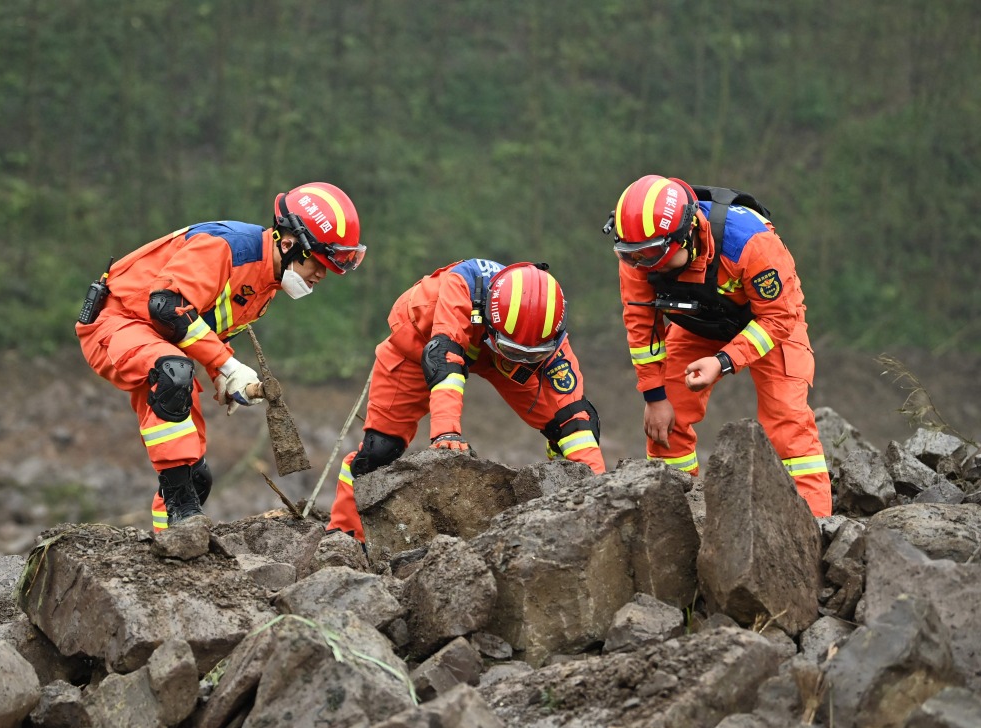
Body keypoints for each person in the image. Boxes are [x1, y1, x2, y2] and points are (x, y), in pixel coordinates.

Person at [76, 181, 365, 545]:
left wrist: (223, 375)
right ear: (288, 245)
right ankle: (183, 516)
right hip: (118, 323)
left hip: (161, 343)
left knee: (196, 477)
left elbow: (205, 328)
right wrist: (227, 365)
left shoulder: (264, 288)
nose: (321, 275)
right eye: (318, 263)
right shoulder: (227, 248)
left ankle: (171, 544)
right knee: (173, 373)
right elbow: (166, 305)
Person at [326, 259, 606, 543]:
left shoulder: (548, 333)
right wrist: (446, 433)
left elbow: (575, 416)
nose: (520, 359)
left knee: (571, 424)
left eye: (529, 355)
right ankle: (345, 533)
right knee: (379, 449)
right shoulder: (461, 287)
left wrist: (600, 491)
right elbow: (444, 360)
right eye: (515, 351)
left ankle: (570, 500)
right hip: (419, 343)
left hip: (495, 353)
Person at [604, 175, 831, 517]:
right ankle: (672, 520)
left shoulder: (750, 242)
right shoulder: (639, 254)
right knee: (666, 420)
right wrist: (653, 395)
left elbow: (779, 318)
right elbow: (642, 324)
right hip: (700, 324)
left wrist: (724, 360)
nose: (648, 266)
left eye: (656, 256)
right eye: (635, 256)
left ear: (689, 233)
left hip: (768, 321)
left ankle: (815, 527)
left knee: (788, 422)